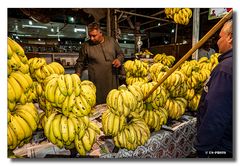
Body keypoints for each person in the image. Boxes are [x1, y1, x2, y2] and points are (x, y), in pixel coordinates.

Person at [194, 19, 233, 158]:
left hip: (223, 145)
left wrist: (202, 147)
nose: (217, 42)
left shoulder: (225, 69)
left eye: (220, 37)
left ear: (230, 37)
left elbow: (216, 114)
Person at [75, 22, 124, 104]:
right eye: (90, 36)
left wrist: (119, 60)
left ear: (100, 33)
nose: (91, 38)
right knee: (99, 102)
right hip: (97, 81)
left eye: (94, 36)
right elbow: (80, 62)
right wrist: (77, 74)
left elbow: (120, 54)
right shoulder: (86, 46)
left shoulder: (111, 41)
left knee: (113, 100)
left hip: (112, 78)